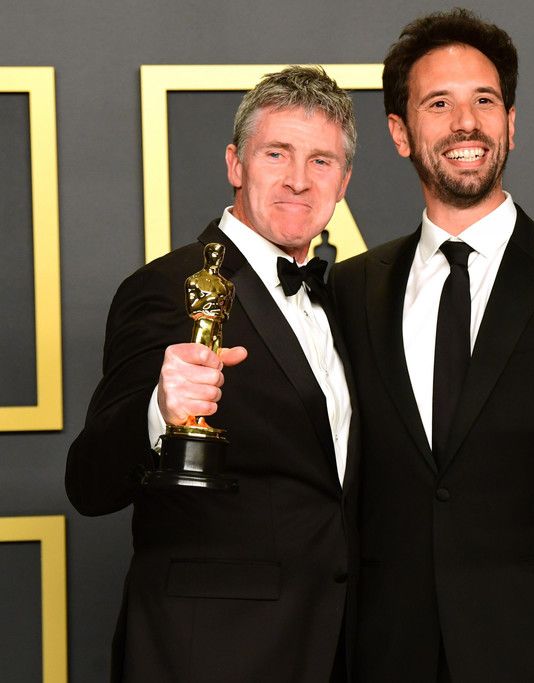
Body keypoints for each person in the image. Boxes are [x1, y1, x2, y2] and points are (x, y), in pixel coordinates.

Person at [331, 9, 534, 682]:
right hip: (393, 648)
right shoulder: (350, 287)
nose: (466, 123)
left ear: (511, 123)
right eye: (438, 104)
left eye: (484, 101)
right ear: (399, 132)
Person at [66, 65, 359, 682]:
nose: (299, 179)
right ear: (235, 164)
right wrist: (159, 411)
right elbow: (89, 482)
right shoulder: (166, 288)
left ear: (344, 181)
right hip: (211, 651)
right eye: (276, 153)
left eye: (321, 161)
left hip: (336, 644)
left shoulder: (345, 302)